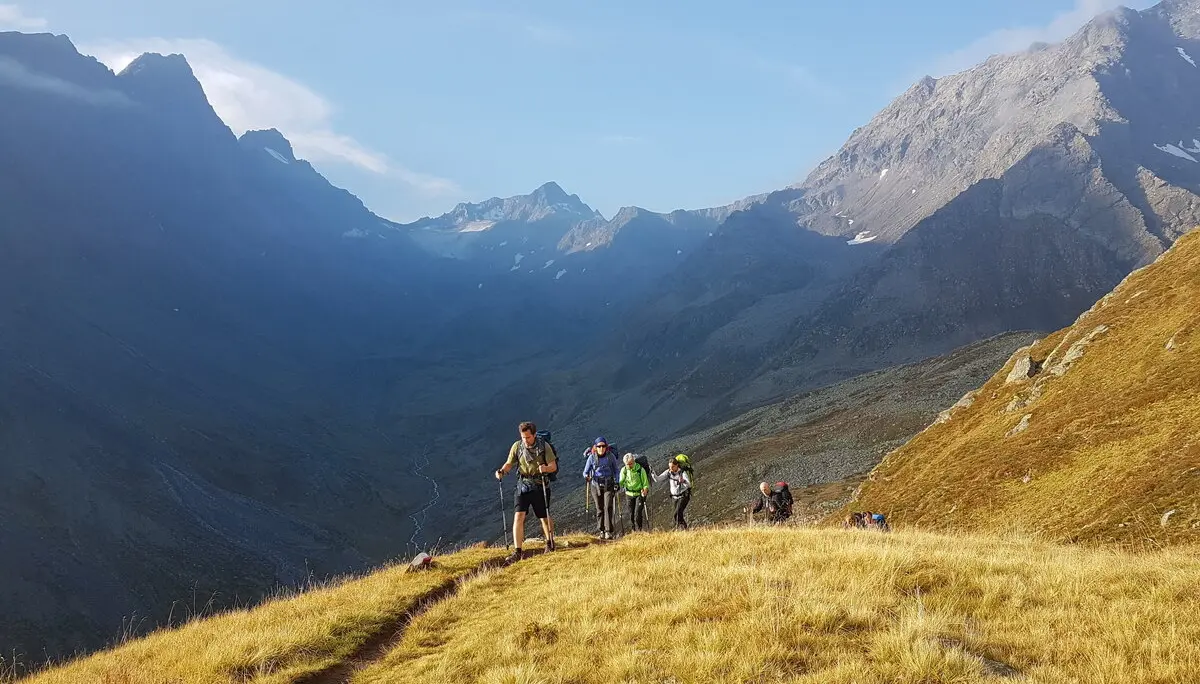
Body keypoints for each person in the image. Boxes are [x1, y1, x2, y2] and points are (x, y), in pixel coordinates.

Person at [495, 421, 558, 562]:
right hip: (523, 485)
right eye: (523, 437)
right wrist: (502, 472)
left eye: (528, 437)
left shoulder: (544, 446)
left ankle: (550, 542)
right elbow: (509, 463)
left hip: (540, 485)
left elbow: (553, 466)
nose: (526, 440)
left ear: (534, 435)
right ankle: (518, 551)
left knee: (544, 517)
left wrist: (545, 469)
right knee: (519, 516)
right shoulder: (517, 446)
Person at [582, 437, 621, 539]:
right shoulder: (591, 458)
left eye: (603, 446)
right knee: (599, 508)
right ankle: (601, 530)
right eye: (599, 446)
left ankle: (608, 531)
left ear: (606, 446)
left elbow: (616, 470)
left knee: (608, 506)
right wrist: (586, 476)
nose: (601, 448)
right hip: (596, 485)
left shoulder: (610, 456)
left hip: (609, 484)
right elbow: (585, 471)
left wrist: (617, 482)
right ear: (596, 447)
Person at [652, 458, 692, 529]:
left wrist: (683, 481)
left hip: (683, 496)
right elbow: (657, 479)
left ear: (677, 465)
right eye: (669, 467)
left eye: (672, 466)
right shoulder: (668, 472)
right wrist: (652, 472)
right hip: (674, 497)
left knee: (676, 514)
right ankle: (684, 529)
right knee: (678, 515)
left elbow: (689, 484)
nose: (671, 468)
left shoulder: (682, 473)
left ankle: (682, 529)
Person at [618, 452, 650, 532]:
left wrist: (645, 490)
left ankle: (639, 530)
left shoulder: (640, 470)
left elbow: (645, 483)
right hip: (629, 494)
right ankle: (633, 530)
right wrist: (617, 485)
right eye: (627, 464)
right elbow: (621, 481)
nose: (629, 466)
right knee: (631, 514)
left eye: (630, 464)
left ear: (634, 461)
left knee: (637, 513)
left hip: (640, 493)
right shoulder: (624, 470)